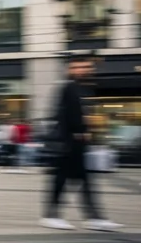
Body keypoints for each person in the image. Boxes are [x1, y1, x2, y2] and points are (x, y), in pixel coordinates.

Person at [40, 55, 122, 231]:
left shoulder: (83, 89)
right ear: (70, 69)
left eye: (86, 66)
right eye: (78, 67)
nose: (83, 70)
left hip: (76, 144)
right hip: (67, 143)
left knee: (82, 181)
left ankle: (93, 217)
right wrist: (78, 131)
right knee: (62, 181)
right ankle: (52, 216)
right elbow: (61, 115)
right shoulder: (68, 88)